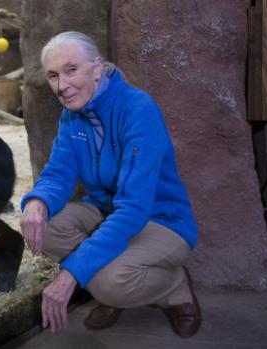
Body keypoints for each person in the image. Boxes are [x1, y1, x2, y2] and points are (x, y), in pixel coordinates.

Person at [19, 31, 201, 338]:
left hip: (161, 220)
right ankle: (110, 283)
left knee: (108, 282)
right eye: (53, 75)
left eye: (71, 69)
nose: (61, 86)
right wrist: (37, 203)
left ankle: (175, 287)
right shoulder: (72, 116)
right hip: (106, 212)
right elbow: (58, 174)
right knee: (43, 227)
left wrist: (70, 275)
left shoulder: (138, 109)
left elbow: (133, 209)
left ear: (98, 68)